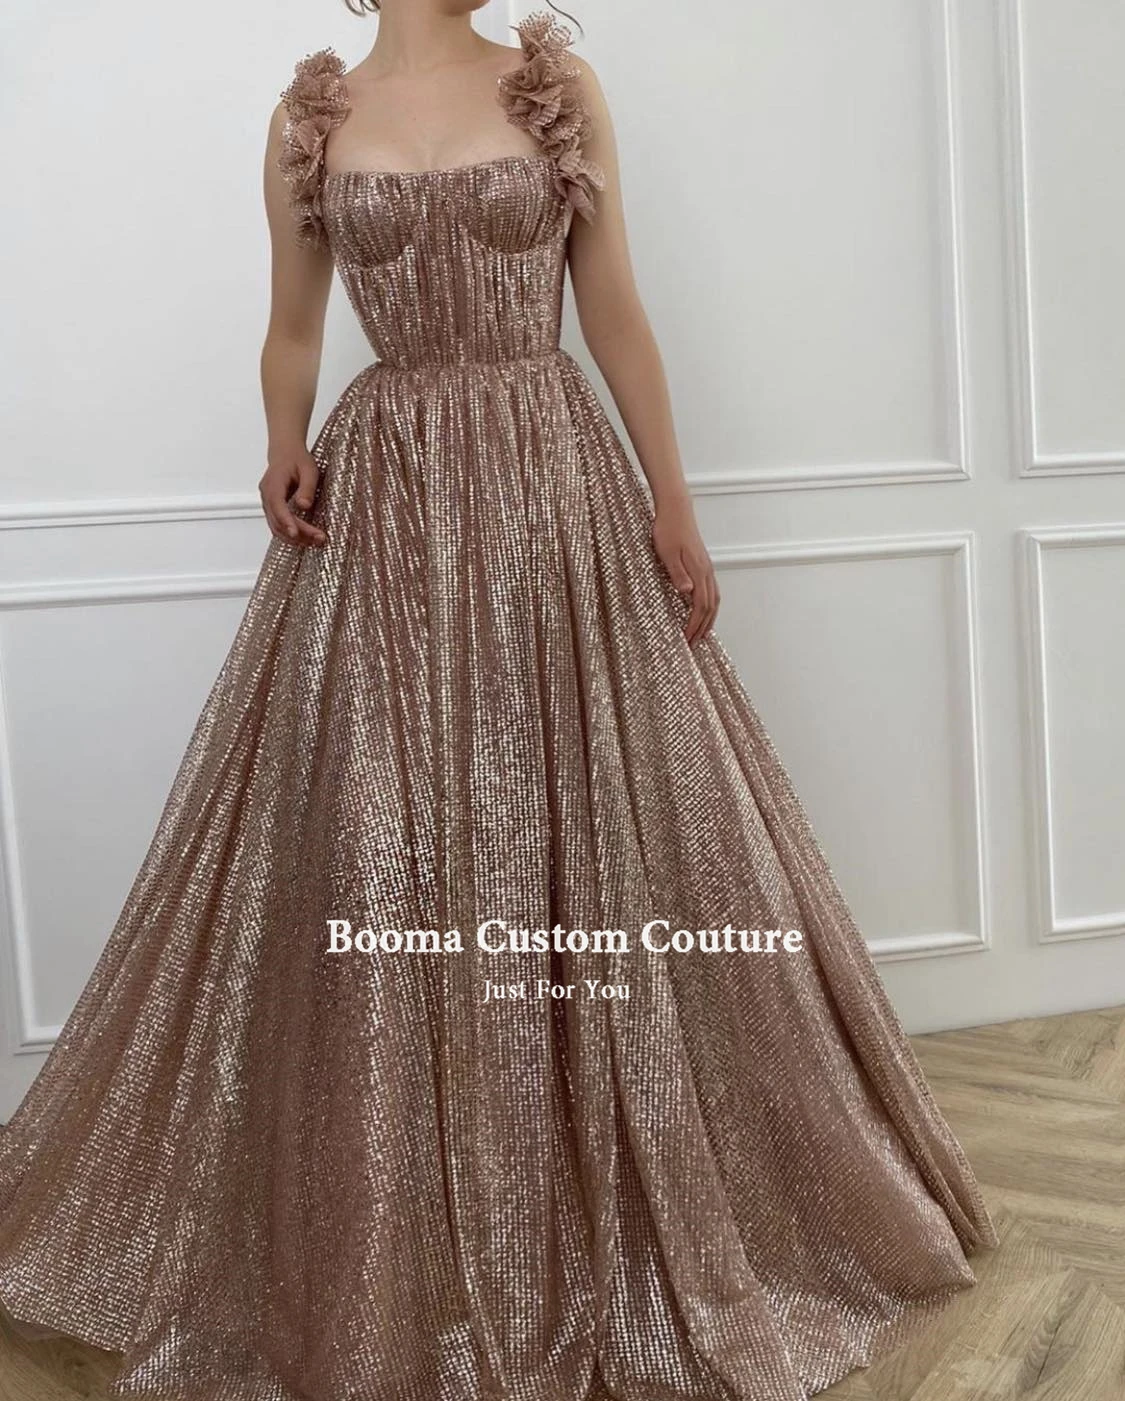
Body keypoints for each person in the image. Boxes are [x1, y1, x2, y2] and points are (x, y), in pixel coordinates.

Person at [0, 4, 999, 1399]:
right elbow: (291, 323)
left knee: (589, 824)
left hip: (551, 486)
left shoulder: (553, 83)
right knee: (380, 843)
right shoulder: (308, 117)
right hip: (387, 503)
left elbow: (616, 307)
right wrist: (282, 441)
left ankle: (606, 1205)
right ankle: (393, 1230)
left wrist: (672, 503)